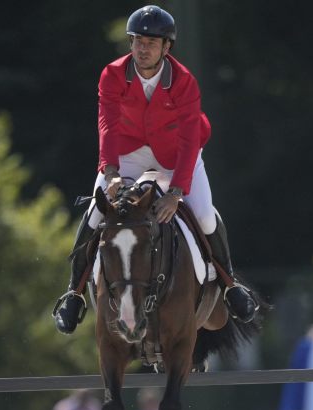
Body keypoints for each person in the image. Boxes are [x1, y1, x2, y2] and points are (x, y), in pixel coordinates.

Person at [52, 5, 256, 334]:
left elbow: (190, 140)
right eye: (137, 41)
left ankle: (231, 286)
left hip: (175, 154)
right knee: (94, 211)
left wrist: (176, 192)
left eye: (151, 42)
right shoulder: (113, 74)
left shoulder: (184, 81)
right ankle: (73, 294)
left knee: (203, 215)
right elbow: (107, 124)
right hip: (130, 151)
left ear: (166, 47)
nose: (142, 49)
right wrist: (111, 171)